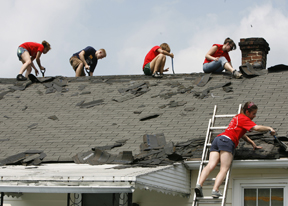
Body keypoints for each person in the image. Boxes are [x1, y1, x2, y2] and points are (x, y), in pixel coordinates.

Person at [195, 102, 276, 198]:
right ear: (247, 111)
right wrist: (269, 128)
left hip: (217, 139)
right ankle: (215, 190)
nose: (254, 116)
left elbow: (241, 134)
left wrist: (252, 143)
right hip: (227, 141)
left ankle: (199, 185)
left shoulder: (237, 117)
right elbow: (256, 128)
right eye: (253, 113)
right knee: (224, 168)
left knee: (210, 164)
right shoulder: (245, 119)